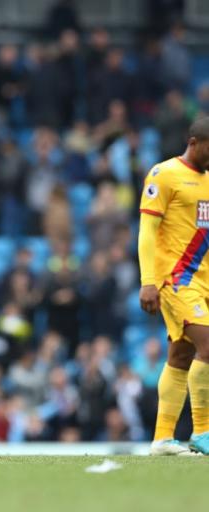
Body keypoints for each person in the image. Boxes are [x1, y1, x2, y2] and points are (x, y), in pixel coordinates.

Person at [139, 116, 209, 456]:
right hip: (176, 280)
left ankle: (162, 439)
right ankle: (203, 431)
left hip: (203, 281)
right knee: (208, 346)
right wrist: (147, 281)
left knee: (181, 355)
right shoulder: (164, 174)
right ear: (194, 142)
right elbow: (147, 232)